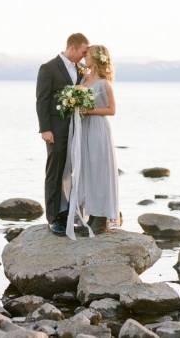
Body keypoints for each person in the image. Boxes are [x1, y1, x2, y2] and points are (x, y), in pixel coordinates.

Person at [62, 44, 120, 238]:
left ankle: (101, 218)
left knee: (99, 171)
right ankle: (91, 215)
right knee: (86, 171)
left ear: (96, 58)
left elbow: (112, 110)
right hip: (83, 129)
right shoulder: (85, 79)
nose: (84, 58)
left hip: (97, 129)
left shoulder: (104, 83)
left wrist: (89, 111)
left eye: (87, 55)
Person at [35, 33, 90, 236]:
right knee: (55, 170)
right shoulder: (48, 68)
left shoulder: (81, 69)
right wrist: (45, 129)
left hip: (76, 128)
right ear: (73, 48)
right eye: (84, 52)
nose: (85, 56)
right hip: (55, 130)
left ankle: (69, 212)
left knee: (72, 170)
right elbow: (42, 100)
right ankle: (53, 218)